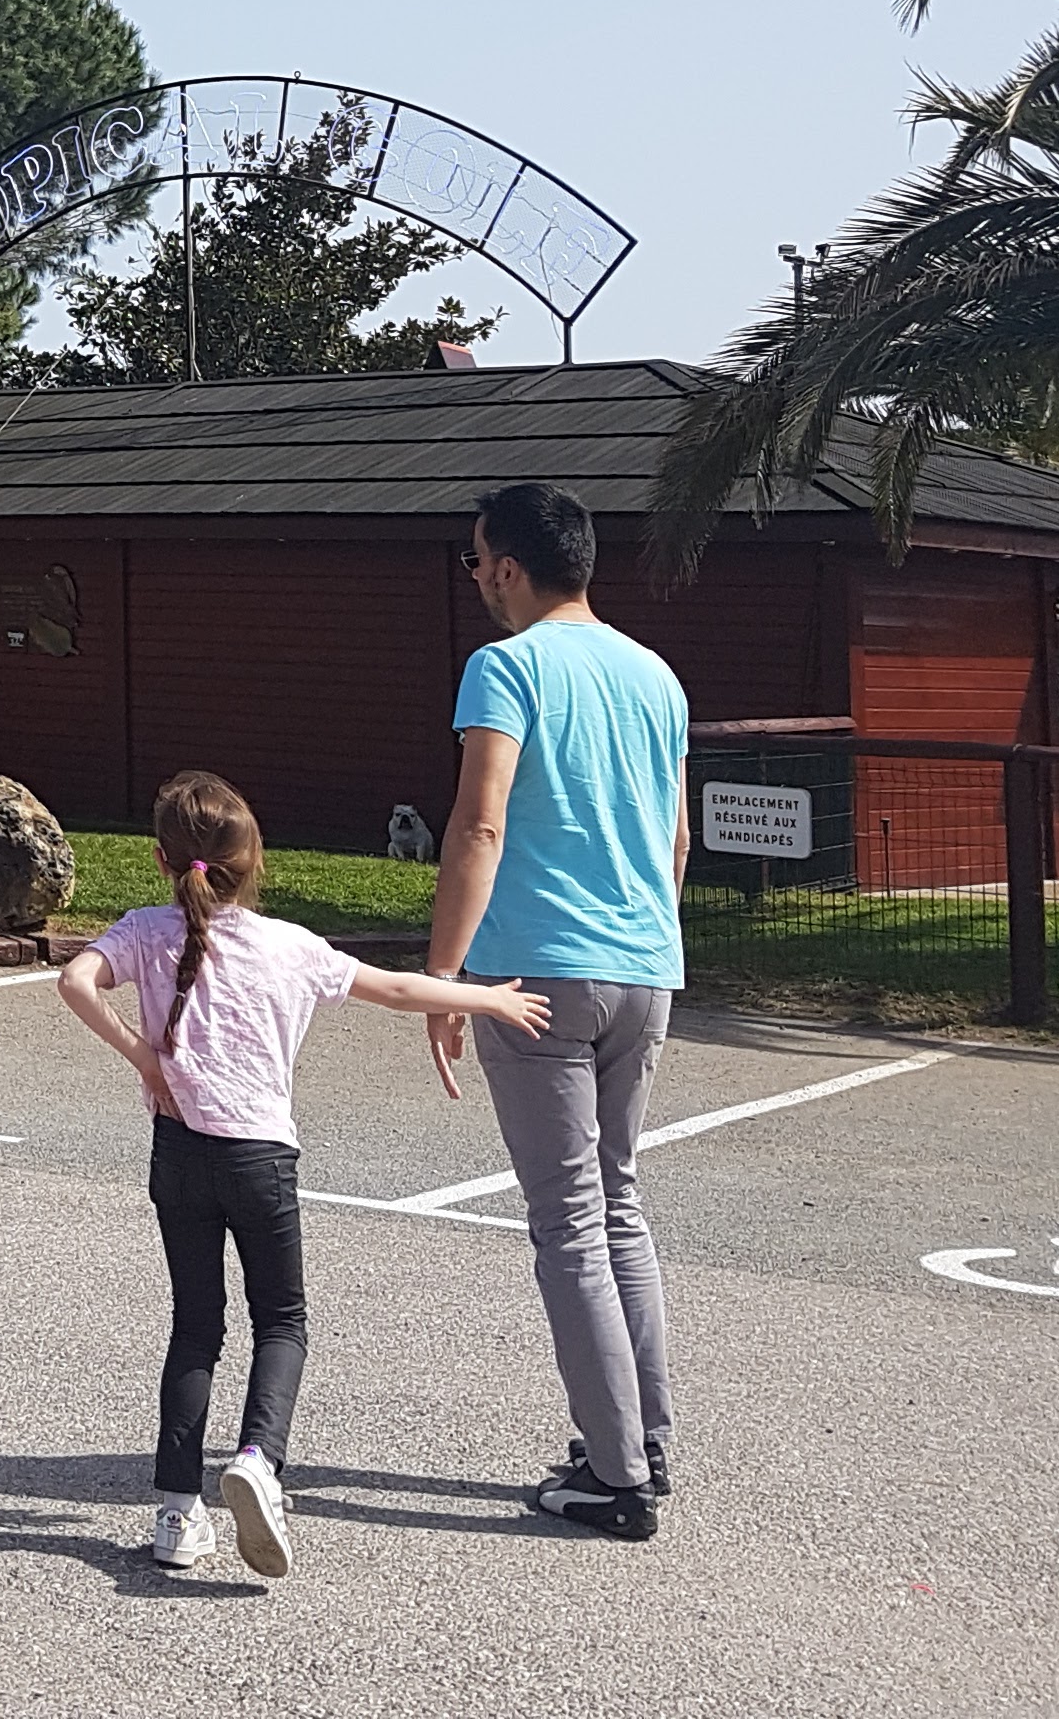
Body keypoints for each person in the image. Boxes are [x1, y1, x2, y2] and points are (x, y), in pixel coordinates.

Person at [56, 771, 551, 1582]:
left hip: (178, 1152)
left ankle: (177, 1512)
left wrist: (146, 1059)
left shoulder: (144, 929)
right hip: (261, 1158)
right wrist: (487, 1000)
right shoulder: (292, 945)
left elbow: (74, 980)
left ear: (160, 860)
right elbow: (395, 988)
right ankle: (259, 1459)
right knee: (282, 1320)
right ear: (255, 860)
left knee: (195, 1326)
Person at [425, 481, 692, 1544]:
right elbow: (674, 839)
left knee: (569, 1222)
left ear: (509, 567)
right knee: (617, 1204)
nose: (478, 581)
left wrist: (445, 977)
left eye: (477, 561)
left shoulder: (507, 667)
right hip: (645, 964)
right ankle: (641, 1441)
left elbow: (478, 825)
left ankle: (617, 1474)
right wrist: (646, 936)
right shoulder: (655, 673)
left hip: (536, 972)